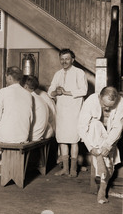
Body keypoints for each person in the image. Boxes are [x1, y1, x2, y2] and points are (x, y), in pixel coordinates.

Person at [0, 66, 33, 180]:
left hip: (10, 134)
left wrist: (1, 125)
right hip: (24, 134)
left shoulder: (3, 91)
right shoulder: (28, 94)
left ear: (9, 77)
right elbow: (30, 117)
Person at [77, 86, 123, 204]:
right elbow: (81, 127)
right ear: (100, 97)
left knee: (108, 157)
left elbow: (118, 128)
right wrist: (90, 147)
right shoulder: (91, 101)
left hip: (110, 138)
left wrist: (108, 145)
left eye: (110, 106)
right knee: (95, 124)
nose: (107, 108)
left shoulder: (121, 102)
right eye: (104, 104)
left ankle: (103, 188)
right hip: (94, 138)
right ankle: (103, 190)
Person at [48, 49, 88, 177]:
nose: (64, 61)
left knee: (73, 140)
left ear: (72, 59)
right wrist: (56, 92)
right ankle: (65, 168)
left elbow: (84, 91)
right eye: (62, 59)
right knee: (62, 140)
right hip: (61, 111)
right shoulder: (57, 74)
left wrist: (66, 92)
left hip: (74, 111)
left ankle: (73, 169)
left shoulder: (79, 72)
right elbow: (50, 91)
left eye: (67, 59)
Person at [22, 75, 50, 140]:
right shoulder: (39, 98)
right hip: (39, 134)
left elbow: (25, 120)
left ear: (25, 86)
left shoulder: (29, 99)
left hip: (33, 136)